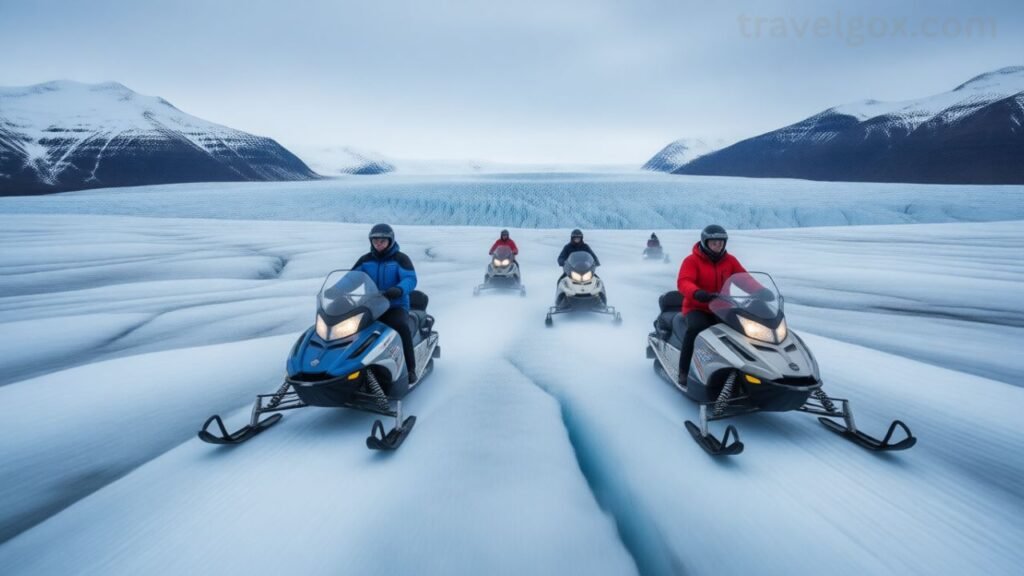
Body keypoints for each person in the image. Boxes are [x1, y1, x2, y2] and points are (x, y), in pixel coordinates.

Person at [676, 225, 748, 384]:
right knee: (696, 329)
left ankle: (742, 370)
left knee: (743, 330)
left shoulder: (730, 261)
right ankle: (684, 370)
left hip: (722, 307)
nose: (718, 246)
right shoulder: (692, 261)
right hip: (697, 307)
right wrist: (696, 292)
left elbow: (744, 279)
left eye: (721, 242)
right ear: (705, 242)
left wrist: (760, 291)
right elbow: (684, 282)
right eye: (714, 243)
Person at [351, 223, 420, 384]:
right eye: (375, 241)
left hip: (395, 305)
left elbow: (410, 279)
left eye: (382, 241)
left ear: (390, 240)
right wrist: (335, 290)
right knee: (352, 330)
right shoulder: (365, 260)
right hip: (371, 305)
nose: (378, 244)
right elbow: (351, 278)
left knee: (400, 326)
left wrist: (399, 289)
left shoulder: (400, 259)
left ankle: (410, 369)